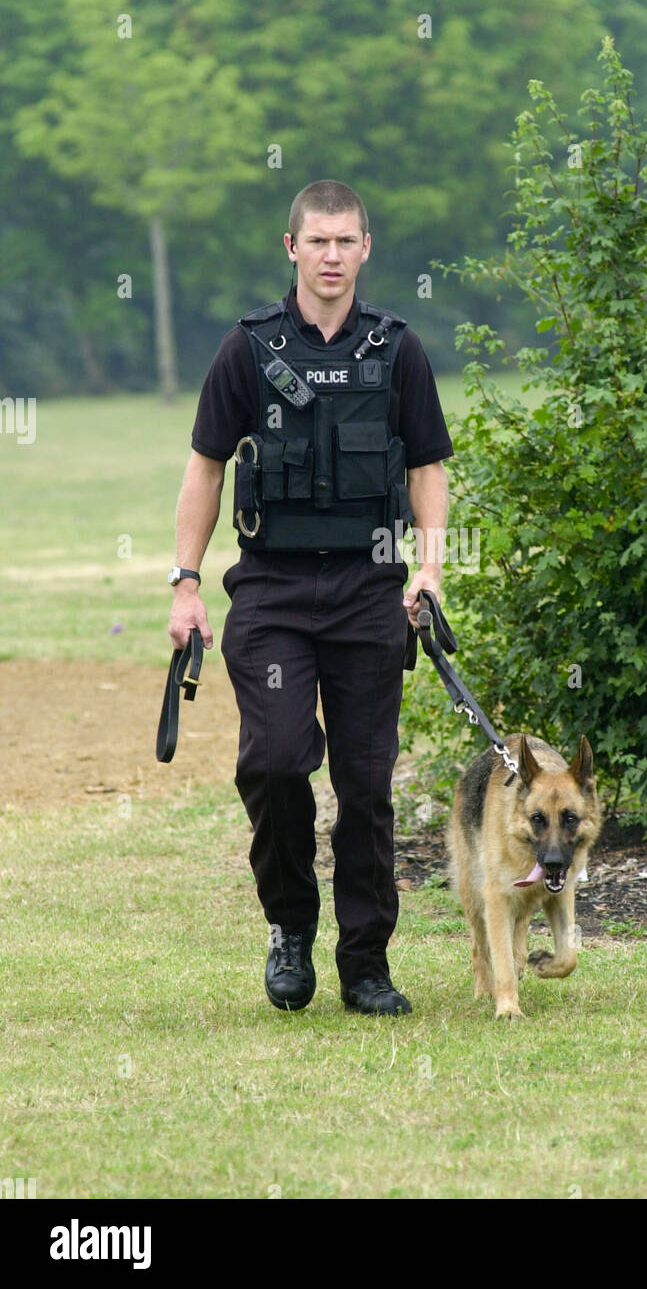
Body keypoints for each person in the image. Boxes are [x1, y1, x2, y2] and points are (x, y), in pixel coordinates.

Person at [167, 180, 453, 1016]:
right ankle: (290, 925)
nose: (333, 256)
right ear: (291, 248)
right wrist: (184, 584)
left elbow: (428, 468)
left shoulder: (398, 350)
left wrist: (429, 571)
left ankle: (365, 964)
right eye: (318, 241)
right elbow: (206, 467)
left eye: (347, 241)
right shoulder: (247, 350)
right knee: (278, 758)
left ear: (367, 249)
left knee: (366, 786)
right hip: (273, 593)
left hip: (370, 594)